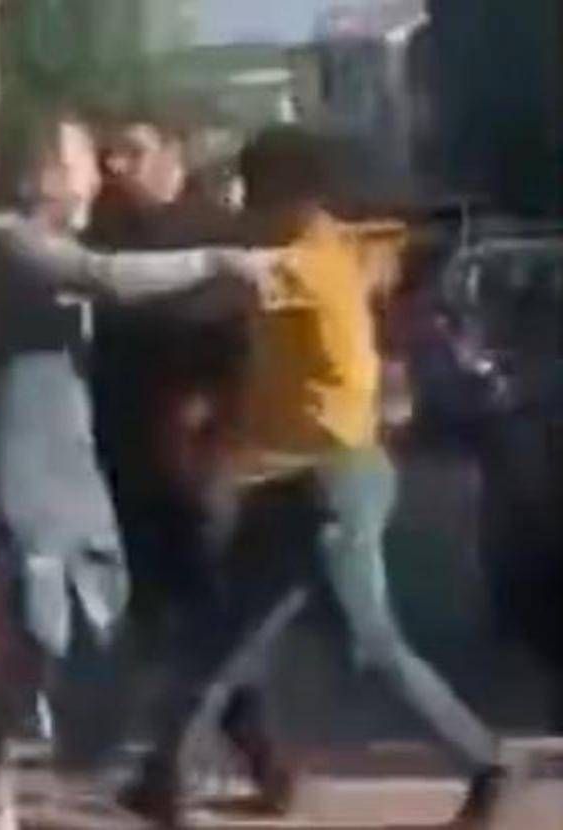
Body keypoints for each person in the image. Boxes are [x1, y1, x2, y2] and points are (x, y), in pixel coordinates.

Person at [119, 127, 514, 829]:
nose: (244, 209)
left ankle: (485, 763)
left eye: (253, 194)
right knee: (226, 631)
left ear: (285, 196)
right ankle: (161, 774)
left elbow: (210, 291)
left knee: (368, 644)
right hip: (292, 477)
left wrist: (121, 274)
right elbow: (390, 253)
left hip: (331, 479)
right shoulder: (340, 248)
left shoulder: (301, 265)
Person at [0, 115, 276, 830]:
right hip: (17, 458)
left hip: (74, 459)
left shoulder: (70, 242)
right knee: (36, 621)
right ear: (46, 170)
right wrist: (216, 261)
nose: (98, 176)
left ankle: (109, 767)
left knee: (104, 619)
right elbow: (107, 279)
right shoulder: (5, 240)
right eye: (84, 162)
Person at [85, 120, 292, 815]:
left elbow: (244, 343)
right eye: (112, 154)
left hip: (201, 457)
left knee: (209, 620)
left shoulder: (215, 234)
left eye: (135, 151)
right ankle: (227, 759)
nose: (119, 165)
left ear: (173, 156)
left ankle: (185, 766)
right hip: (128, 455)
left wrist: (212, 420)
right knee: (164, 620)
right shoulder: (108, 235)